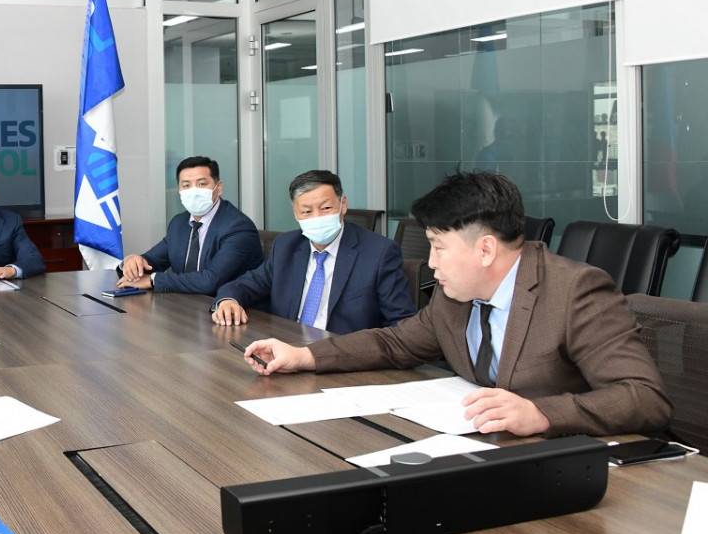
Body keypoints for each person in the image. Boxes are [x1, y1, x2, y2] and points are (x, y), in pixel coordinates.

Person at [244, 171, 673, 438]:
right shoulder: (454, 296)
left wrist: (542, 413)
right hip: (482, 448)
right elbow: (395, 343)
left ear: (485, 250)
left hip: (568, 467)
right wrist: (303, 356)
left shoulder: (576, 292)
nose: (430, 263)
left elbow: (644, 398)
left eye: (438, 247)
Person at [213, 170, 415, 332]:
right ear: (295, 213)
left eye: (326, 208)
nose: (317, 217)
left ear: (343, 205)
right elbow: (247, 284)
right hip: (287, 346)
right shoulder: (286, 246)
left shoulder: (379, 253)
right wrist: (228, 300)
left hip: (343, 355)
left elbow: (401, 324)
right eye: (306, 211)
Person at [116, 156, 262, 294]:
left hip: (229, 307)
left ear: (218, 188)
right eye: (186, 185)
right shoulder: (179, 223)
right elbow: (153, 261)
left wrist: (153, 280)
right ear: (179, 190)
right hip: (185, 304)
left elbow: (210, 281)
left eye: (202, 184)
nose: (194, 191)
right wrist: (133, 263)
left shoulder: (238, 227)